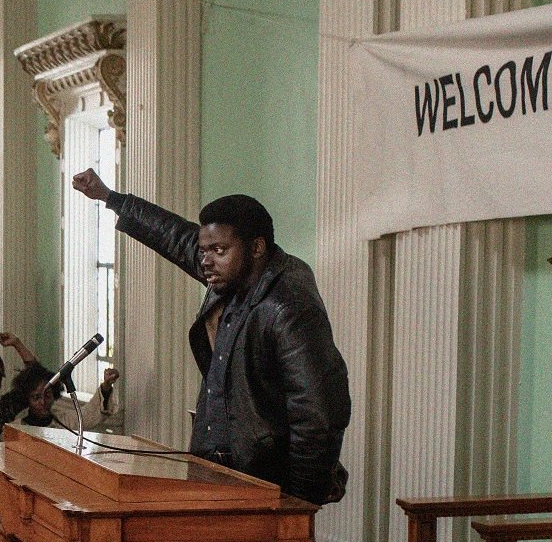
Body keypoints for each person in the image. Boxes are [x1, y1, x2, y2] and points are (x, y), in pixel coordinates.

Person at [71, 168, 350, 504]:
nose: (205, 260)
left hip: (263, 482)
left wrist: (299, 504)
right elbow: (173, 235)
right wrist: (111, 198)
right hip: (215, 467)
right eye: (204, 250)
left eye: (218, 250)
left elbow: (315, 413)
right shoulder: (230, 271)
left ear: (257, 248)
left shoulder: (288, 305)